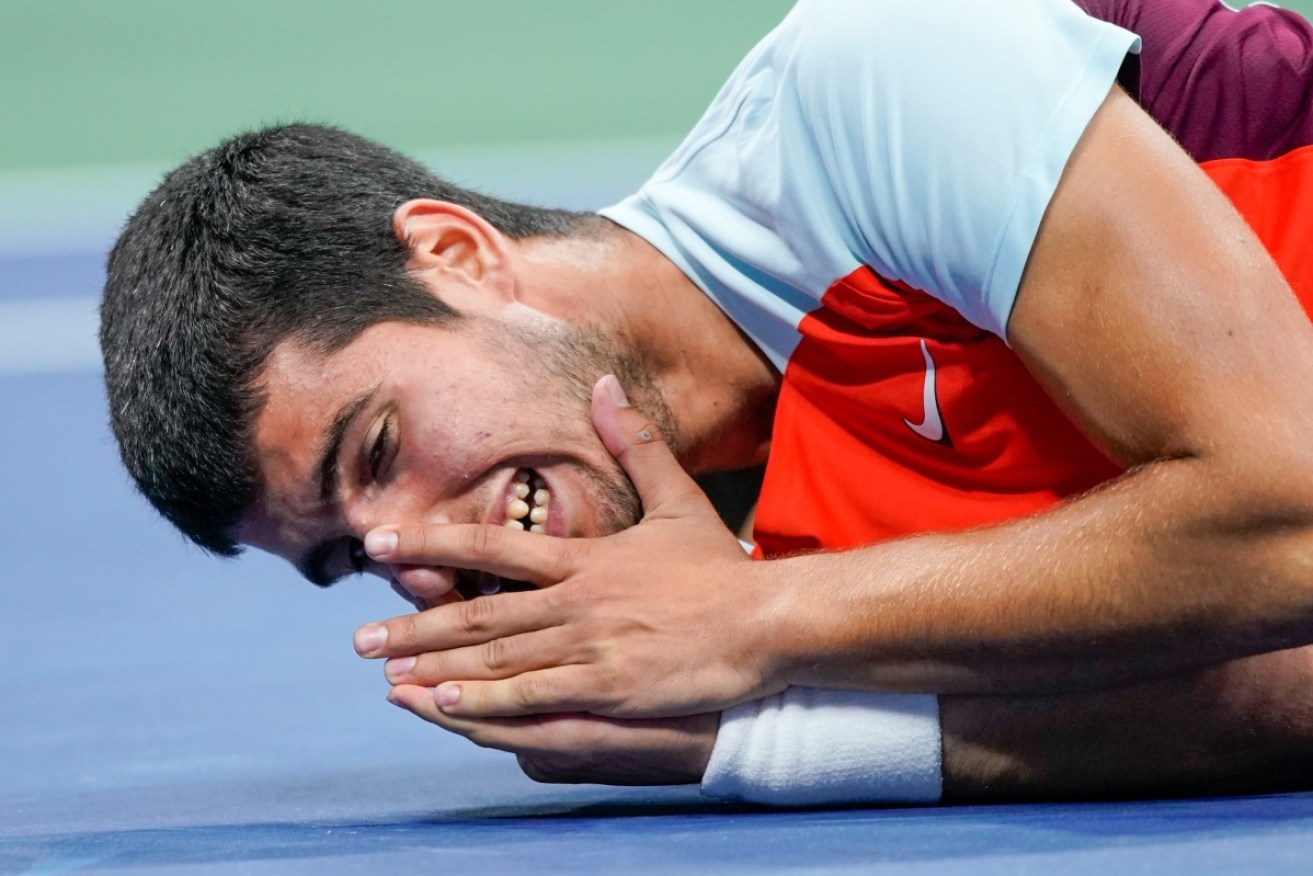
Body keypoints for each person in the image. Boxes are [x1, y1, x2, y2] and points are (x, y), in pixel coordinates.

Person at [100, 0, 1313, 804]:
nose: (417, 559)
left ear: (458, 257)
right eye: (351, 563)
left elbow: (1293, 522)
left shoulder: (873, 88)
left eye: (377, 451)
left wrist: (765, 628)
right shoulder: (704, 580)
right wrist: (756, 737)